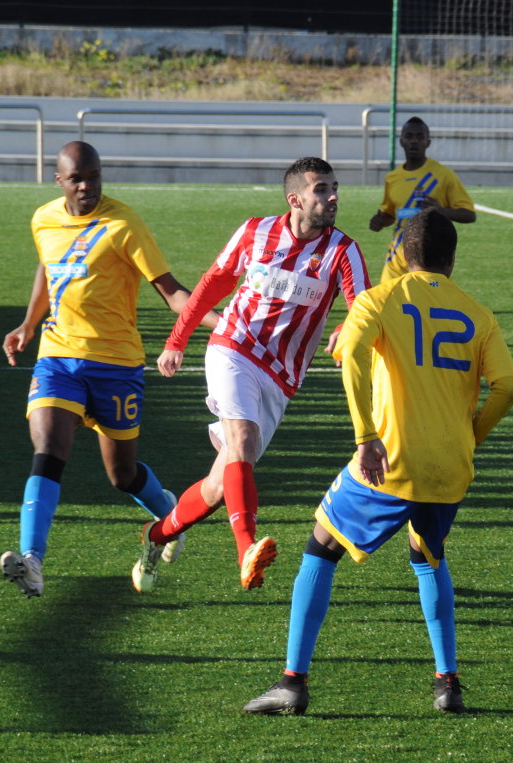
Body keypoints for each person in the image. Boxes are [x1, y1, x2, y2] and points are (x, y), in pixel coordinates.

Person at [243, 209, 513, 716]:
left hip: (391, 460)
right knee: (427, 555)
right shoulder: (479, 315)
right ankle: (447, 683)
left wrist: (366, 436)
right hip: (450, 467)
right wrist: (470, 437)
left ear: (402, 254)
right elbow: (508, 388)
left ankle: (292, 683)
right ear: (452, 259)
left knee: (320, 546)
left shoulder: (380, 299)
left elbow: (351, 353)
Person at [136, 156, 371, 593]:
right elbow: (212, 283)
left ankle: (155, 536)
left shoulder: (343, 250)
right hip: (233, 348)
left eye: (334, 187)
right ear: (294, 199)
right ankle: (246, 549)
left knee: (218, 486)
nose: (333, 196)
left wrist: (347, 328)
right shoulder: (255, 232)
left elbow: (363, 306)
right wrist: (176, 340)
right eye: (321, 189)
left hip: (279, 379)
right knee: (241, 439)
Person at [0, 140, 212, 598]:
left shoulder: (123, 224)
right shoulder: (43, 219)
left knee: (122, 475)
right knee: (49, 447)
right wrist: (29, 324)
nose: (87, 186)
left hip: (116, 364)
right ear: (59, 180)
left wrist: (223, 321)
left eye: (93, 177)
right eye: (77, 179)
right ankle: (32, 561)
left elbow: (170, 290)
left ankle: (168, 513)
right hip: (58, 356)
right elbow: (49, 267)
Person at [368, 116, 476, 284]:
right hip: (396, 261)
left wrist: (441, 211)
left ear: (428, 142)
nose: (414, 141)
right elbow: (391, 215)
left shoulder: (443, 175)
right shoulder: (393, 178)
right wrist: (380, 221)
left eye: (420, 137)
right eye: (409, 136)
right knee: (386, 300)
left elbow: (469, 215)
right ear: (401, 141)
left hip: (428, 263)